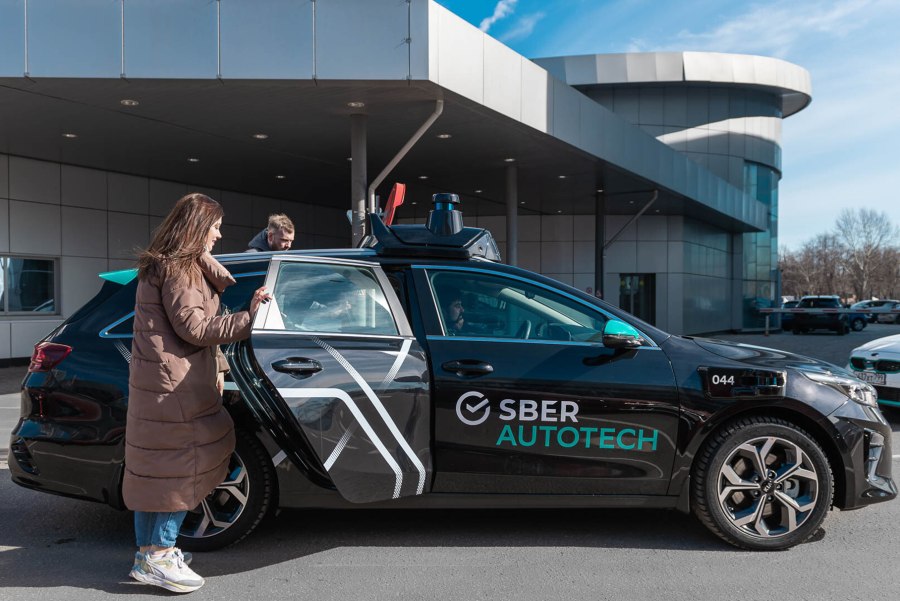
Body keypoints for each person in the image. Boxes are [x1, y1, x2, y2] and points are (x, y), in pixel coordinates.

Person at [126, 192, 270, 593]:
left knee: (155, 472)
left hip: (161, 387)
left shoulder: (165, 264)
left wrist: (220, 362)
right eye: (215, 227)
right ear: (196, 227)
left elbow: (187, 328)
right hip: (176, 389)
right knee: (181, 468)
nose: (218, 235)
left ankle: (149, 556)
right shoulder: (181, 270)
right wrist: (250, 318)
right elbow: (195, 328)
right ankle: (160, 556)